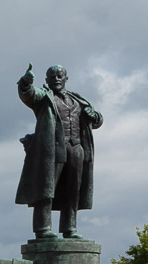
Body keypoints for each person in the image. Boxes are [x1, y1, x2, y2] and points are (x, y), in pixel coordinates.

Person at [16, 63, 103, 240]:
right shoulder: (44, 97)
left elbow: (96, 120)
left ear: (66, 79)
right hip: (52, 150)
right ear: (46, 80)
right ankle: (43, 228)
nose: (56, 78)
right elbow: (28, 94)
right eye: (51, 76)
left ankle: (69, 228)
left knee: (73, 191)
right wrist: (25, 83)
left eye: (59, 75)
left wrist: (94, 116)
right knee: (46, 190)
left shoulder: (78, 100)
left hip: (77, 149)